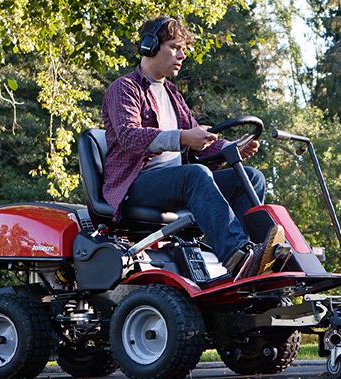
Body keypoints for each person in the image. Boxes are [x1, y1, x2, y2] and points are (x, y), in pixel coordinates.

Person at [101, 16, 284, 278]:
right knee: (195, 174)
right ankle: (237, 255)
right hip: (136, 184)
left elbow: (200, 144)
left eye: (183, 49)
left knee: (251, 177)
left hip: (175, 184)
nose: (182, 55)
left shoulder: (173, 95)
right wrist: (182, 137)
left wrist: (231, 148)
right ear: (150, 46)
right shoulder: (126, 88)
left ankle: (259, 256)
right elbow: (130, 136)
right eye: (175, 47)